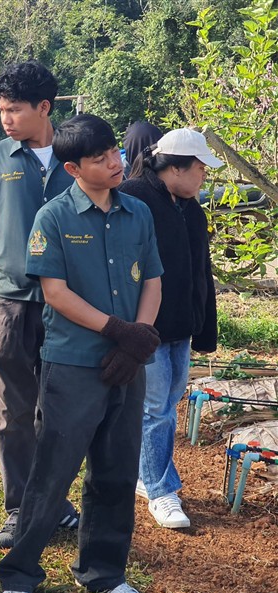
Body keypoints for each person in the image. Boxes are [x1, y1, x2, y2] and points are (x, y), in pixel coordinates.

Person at [0, 114, 163, 593]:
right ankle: (19, 575)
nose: (114, 162)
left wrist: (138, 339)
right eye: (100, 158)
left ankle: (103, 573)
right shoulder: (53, 218)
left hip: (127, 364)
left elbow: (152, 278)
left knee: (117, 470)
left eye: (114, 152)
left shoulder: (138, 212)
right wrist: (118, 330)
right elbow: (56, 293)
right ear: (72, 169)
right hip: (73, 365)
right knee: (53, 472)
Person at [0, 60, 78, 549]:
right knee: (11, 411)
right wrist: (7, 259)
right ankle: (18, 509)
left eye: (15, 110)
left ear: (44, 107)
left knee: (61, 409)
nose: (5, 119)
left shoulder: (76, 158)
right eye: (1, 109)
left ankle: (56, 503)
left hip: (68, 306)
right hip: (9, 302)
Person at [119, 128, 221, 529]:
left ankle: (145, 475)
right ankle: (161, 491)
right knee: (155, 410)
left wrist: (204, 327)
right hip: (148, 327)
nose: (204, 176)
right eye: (200, 168)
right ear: (176, 167)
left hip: (181, 326)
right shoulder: (133, 199)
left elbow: (201, 272)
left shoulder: (190, 209)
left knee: (166, 406)